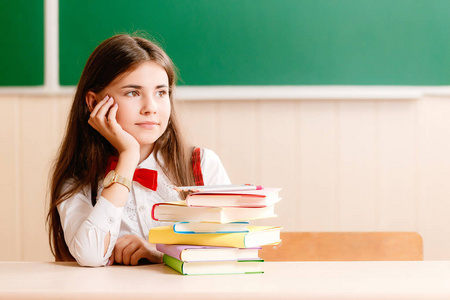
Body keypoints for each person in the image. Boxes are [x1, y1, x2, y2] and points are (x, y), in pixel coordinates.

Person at [46, 34, 231, 267]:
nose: (151, 108)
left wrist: (161, 251)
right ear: (94, 103)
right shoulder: (77, 180)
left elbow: (231, 246)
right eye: (133, 93)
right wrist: (129, 156)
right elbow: (91, 255)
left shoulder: (201, 165)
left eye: (161, 93)